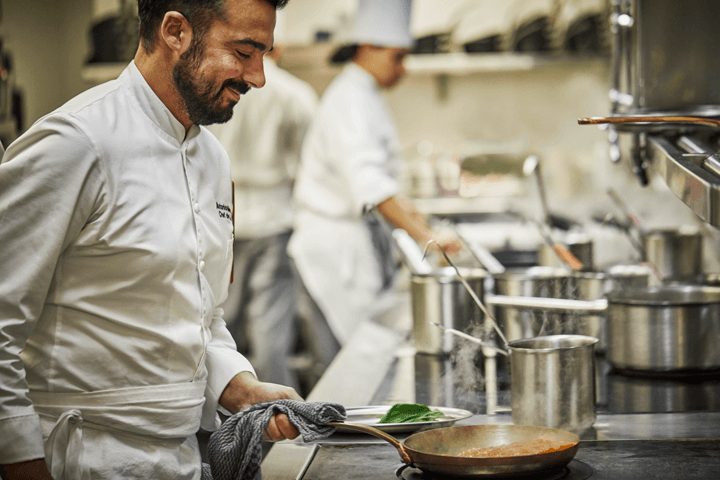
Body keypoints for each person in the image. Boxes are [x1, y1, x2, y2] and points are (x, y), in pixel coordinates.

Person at [0, 1, 303, 479]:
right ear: (175, 31)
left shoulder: (212, 160)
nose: (258, 77)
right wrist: (19, 462)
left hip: (179, 458)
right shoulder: (77, 142)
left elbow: (201, 313)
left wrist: (238, 386)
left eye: (262, 54)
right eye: (244, 52)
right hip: (81, 457)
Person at [288, 0, 462, 349]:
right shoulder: (350, 100)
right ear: (369, 47)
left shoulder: (364, 95)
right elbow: (372, 186)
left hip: (347, 246)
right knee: (348, 364)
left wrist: (421, 221)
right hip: (333, 254)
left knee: (359, 355)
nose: (403, 68)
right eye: (398, 57)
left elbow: (383, 181)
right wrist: (427, 237)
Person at [206, 23, 318, 392]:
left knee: (223, 323)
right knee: (270, 329)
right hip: (274, 221)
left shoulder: (218, 91)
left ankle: (228, 420)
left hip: (225, 216)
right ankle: (276, 420)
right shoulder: (295, 95)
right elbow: (312, 167)